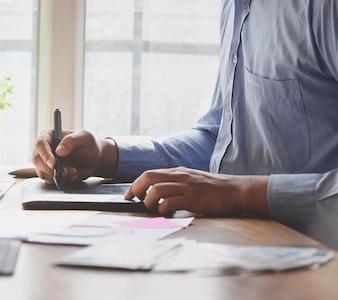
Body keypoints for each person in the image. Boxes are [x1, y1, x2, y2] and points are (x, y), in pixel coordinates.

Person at [32, 0, 338, 249]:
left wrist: (239, 192)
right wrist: (107, 155)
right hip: (244, 250)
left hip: (319, 268)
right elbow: (222, 141)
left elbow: (228, 183)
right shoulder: (237, 8)